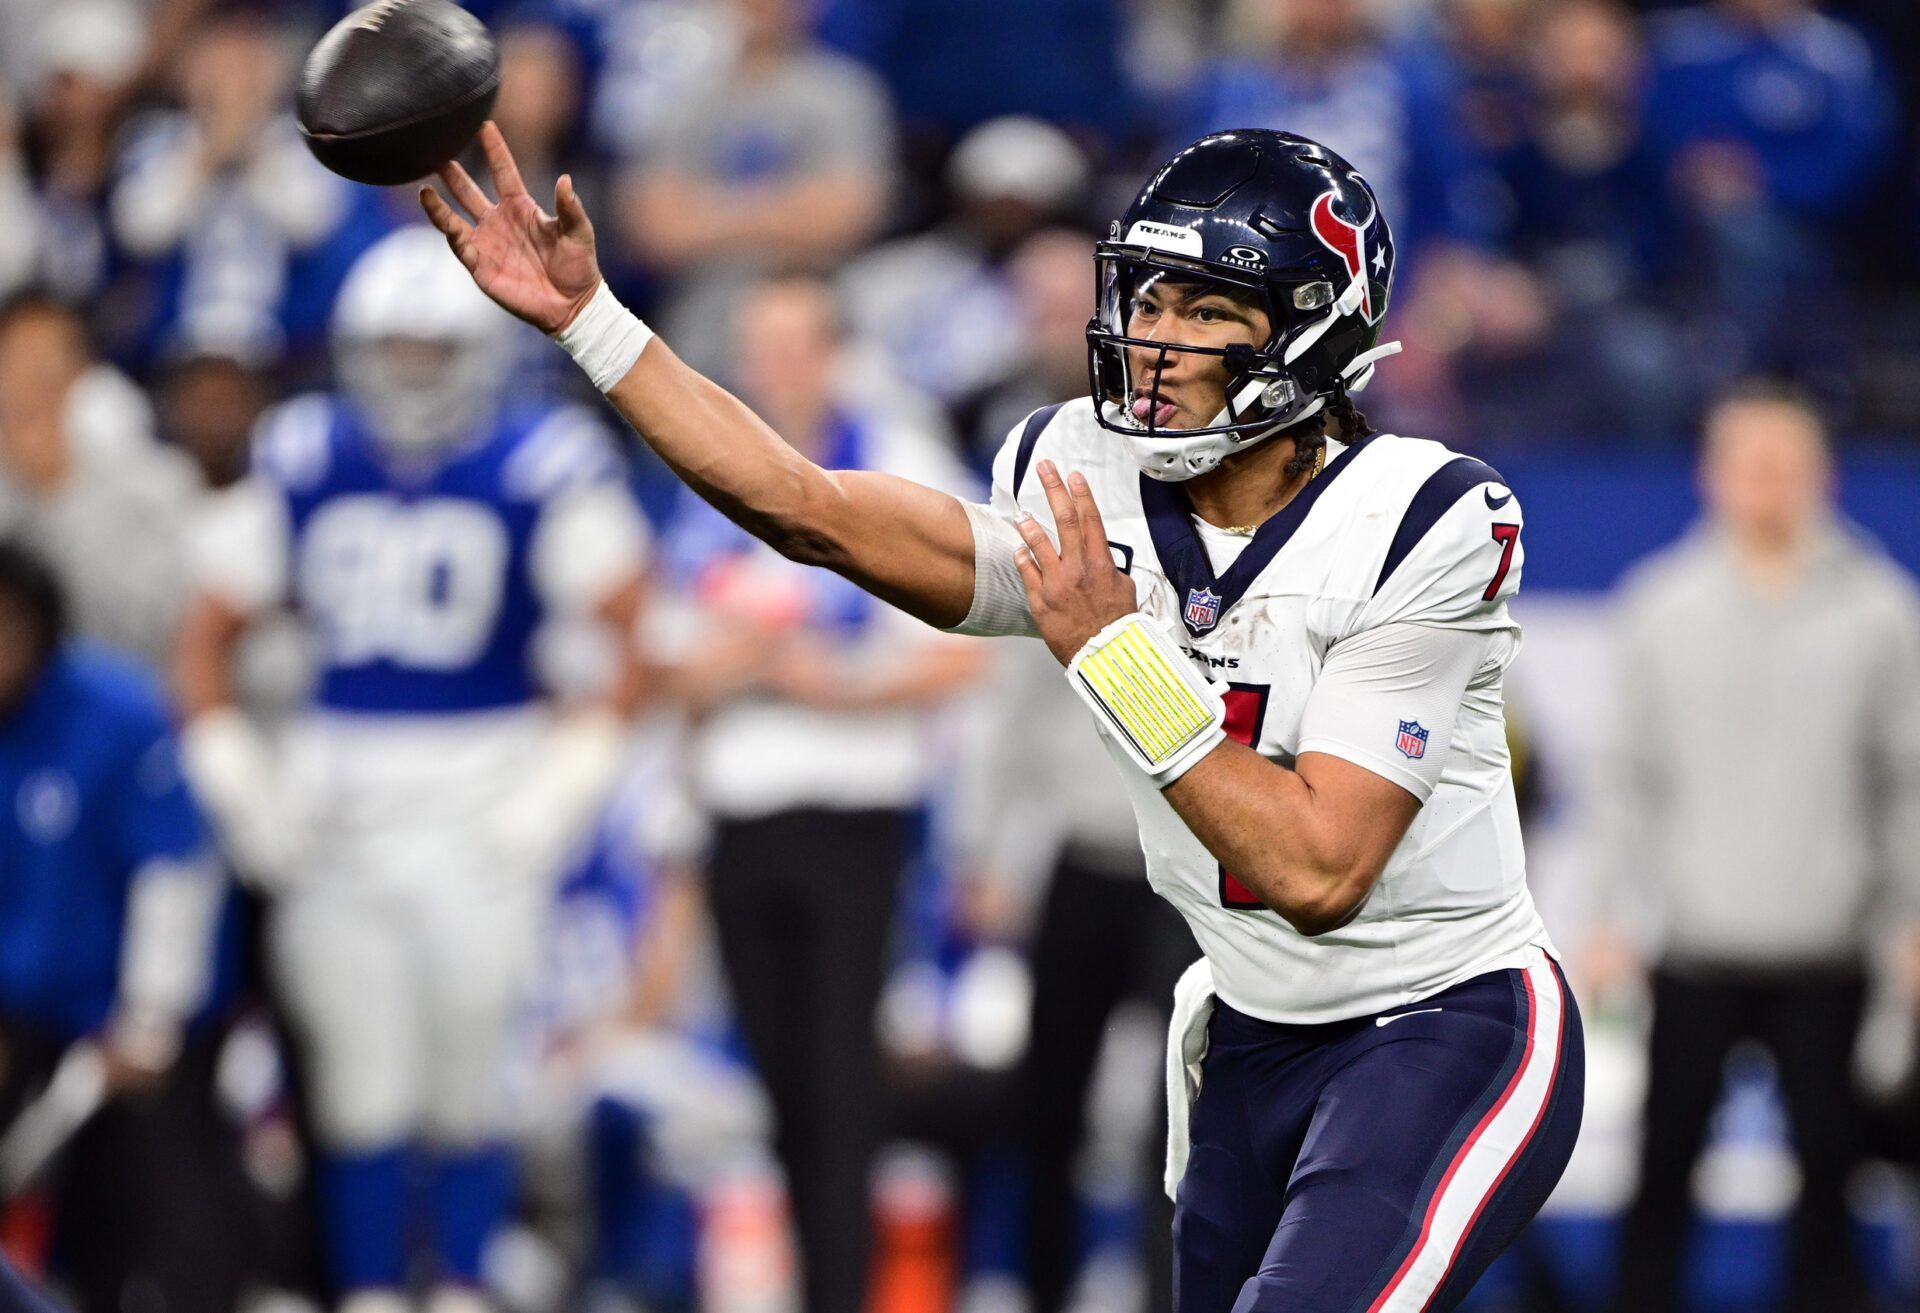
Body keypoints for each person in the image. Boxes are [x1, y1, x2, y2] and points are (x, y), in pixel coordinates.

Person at [421, 121, 1585, 1311]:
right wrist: (591, 323)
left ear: (1310, 326)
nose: (1154, 341)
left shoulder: (1424, 516)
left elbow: (1318, 864)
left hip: (1438, 1020)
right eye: (1148, 299)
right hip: (1249, 1029)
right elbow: (812, 510)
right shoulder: (1079, 469)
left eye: (1203, 311)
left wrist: (1114, 653)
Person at [171, 225, 654, 1313]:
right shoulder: (304, 451)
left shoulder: (540, 461)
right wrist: (235, 773)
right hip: (339, 797)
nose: (410, 376)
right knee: (360, 1087)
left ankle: (469, 1282)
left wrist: (568, 781)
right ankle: (378, 1289)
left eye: (432, 353)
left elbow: (635, 634)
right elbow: (200, 633)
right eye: (394, 351)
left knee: (473, 1073)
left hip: (487, 788)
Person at [659, 272, 983, 1313]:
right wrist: (719, 669)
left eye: (799, 343)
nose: (780, 366)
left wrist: (825, 683)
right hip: (739, 811)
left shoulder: (898, 459)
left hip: (853, 806)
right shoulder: (706, 462)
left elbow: (969, 650)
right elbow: (662, 646)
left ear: (835, 349)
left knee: (842, 1084)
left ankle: (846, 1293)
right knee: (777, 1083)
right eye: (763, 344)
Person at [1589, 382, 1920, 1313]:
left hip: (1830, 950)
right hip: (1696, 946)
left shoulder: (1880, 612)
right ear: (1713, 475)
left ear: (1824, 476)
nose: (1767, 485)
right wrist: (1610, 917)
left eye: (1786, 465)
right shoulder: (1661, 608)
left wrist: (1911, 922)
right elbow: (1626, 779)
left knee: (1831, 1181)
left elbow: (1907, 785)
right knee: (1661, 1175)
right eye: (1749, 464)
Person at [0, 537, 235, 1313]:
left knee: (158, 1207)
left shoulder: (118, 714)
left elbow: (175, 871)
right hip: (21, 1018)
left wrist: (148, 1017)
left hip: (132, 1023)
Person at [0, 292, 200, 666]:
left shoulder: (154, 483)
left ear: (82, 373)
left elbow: (153, 634)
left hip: (110, 699)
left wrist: (59, 492)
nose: (34, 381)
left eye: (50, 361)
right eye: (17, 359)